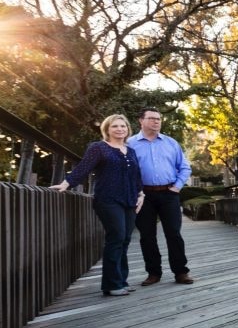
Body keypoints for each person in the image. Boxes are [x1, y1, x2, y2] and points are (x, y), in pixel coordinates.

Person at [51, 114, 145, 296]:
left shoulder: (130, 151)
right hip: (108, 200)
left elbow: (136, 176)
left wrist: (141, 194)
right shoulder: (98, 148)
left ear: (128, 129)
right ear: (107, 129)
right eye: (115, 126)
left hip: (130, 200)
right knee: (116, 237)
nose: (119, 129)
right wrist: (66, 183)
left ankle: (121, 280)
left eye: (123, 126)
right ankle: (112, 285)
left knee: (125, 240)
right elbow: (84, 167)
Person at [127, 108, 193, 286]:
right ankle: (153, 273)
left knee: (173, 233)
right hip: (143, 195)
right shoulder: (130, 144)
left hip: (169, 193)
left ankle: (181, 272)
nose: (156, 122)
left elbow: (185, 167)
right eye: (152, 118)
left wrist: (177, 187)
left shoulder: (171, 143)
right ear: (141, 120)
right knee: (147, 236)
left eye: (158, 119)